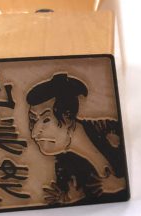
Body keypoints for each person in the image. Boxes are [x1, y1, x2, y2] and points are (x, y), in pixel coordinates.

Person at [26, 73, 128, 205]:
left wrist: (120, 184)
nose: (34, 134)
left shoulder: (109, 129)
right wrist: (68, 200)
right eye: (33, 121)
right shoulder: (64, 167)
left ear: (68, 116)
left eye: (46, 120)